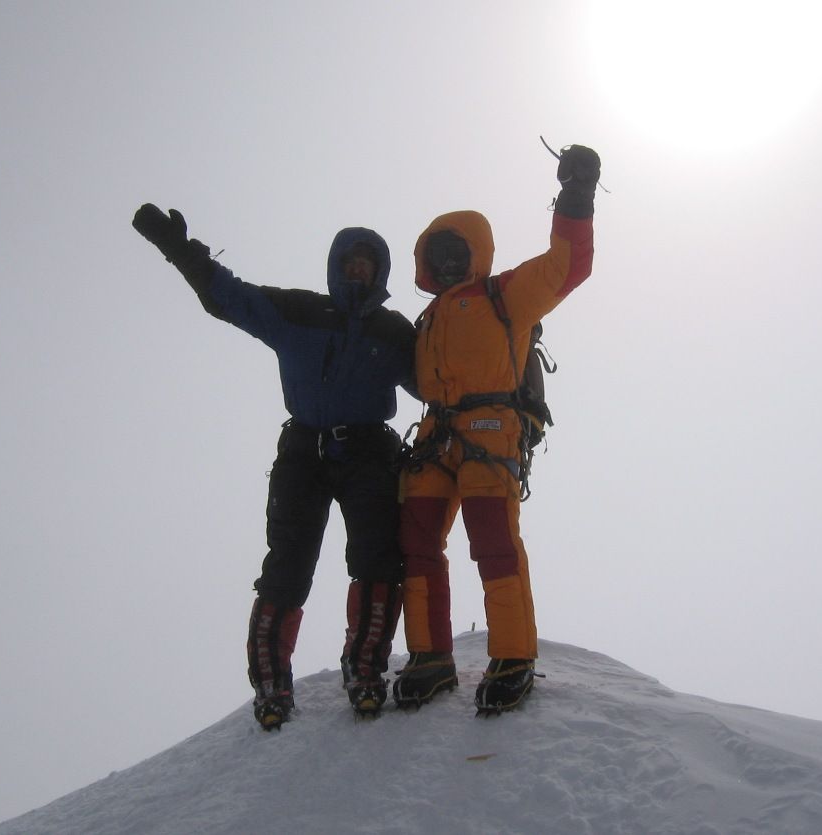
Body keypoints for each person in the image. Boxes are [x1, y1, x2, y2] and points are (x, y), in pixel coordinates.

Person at [132, 205, 416, 728]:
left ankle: (365, 670)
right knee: (287, 567)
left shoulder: (395, 332)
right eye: (350, 261)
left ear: (380, 273)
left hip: (369, 453)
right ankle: (271, 684)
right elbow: (230, 297)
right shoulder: (299, 310)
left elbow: (444, 375)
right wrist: (179, 249)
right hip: (304, 452)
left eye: (368, 263)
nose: (358, 269)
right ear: (336, 267)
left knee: (378, 560)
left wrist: (504, 365)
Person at [392, 144, 601, 713]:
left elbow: (567, 265)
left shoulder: (503, 294)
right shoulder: (427, 320)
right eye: (438, 255)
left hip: (488, 431)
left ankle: (512, 657)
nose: (447, 263)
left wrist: (576, 193)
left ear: (476, 253)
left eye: (456, 251)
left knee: (493, 543)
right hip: (434, 438)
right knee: (417, 546)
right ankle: (430, 656)